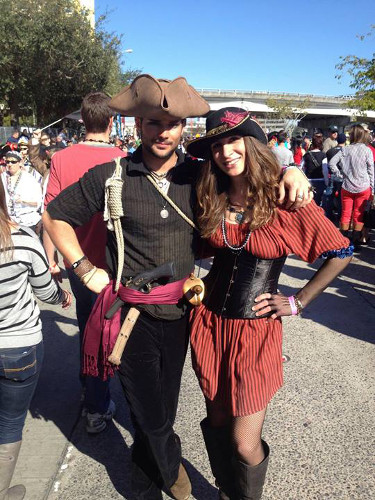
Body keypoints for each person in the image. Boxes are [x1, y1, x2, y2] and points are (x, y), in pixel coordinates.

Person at [42, 74, 312, 500]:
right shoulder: (111, 175)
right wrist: (83, 268)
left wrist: (292, 169)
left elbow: (251, 170)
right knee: (149, 417)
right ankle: (175, 477)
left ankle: (146, 487)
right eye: (152, 122)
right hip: (130, 314)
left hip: (183, 313)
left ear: (183, 128)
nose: (162, 131)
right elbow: (54, 216)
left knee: (163, 411)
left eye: (171, 124)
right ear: (138, 126)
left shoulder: (201, 177)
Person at [186, 107, 353, 500]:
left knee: (245, 441)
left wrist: (298, 302)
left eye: (234, 140)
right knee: (217, 419)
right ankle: (227, 490)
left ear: (254, 144)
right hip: (209, 324)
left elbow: (341, 251)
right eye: (217, 145)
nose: (226, 151)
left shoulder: (284, 197)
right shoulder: (211, 192)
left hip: (255, 331)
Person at [43, 91, 127, 434]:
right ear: (111, 121)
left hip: (77, 261)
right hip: (111, 263)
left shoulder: (61, 159)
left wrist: (52, 259)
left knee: (87, 325)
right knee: (104, 332)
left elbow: (50, 213)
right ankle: (96, 403)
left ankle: (89, 385)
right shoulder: (125, 158)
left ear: (83, 120)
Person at [0, 181, 71, 500]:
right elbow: (45, 290)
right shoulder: (21, 240)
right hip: (18, 345)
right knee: (11, 422)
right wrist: (63, 297)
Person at [329, 124, 374, 250]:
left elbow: (332, 163)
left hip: (347, 186)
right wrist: (373, 187)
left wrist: (340, 174)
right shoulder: (367, 150)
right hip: (363, 186)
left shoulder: (345, 149)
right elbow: (371, 170)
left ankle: (344, 239)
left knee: (345, 212)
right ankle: (356, 240)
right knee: (358, 213)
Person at [1, 151, 42, 234]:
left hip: (27, 221)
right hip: (7, 221)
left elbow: (38, 202)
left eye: (13, 162)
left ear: (20, 163)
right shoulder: (2, 177)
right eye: (7, 162)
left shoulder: (29, 178)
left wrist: (23, 201)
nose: (10, 164)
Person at [301, 131, 327, 206]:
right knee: (319, 201)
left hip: (309, 181)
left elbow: (301, 168)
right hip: (320, 180)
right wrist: (326, 182)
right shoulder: (323, 155)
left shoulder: (306, 155)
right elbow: (325, 169)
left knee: (310, 201)